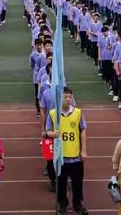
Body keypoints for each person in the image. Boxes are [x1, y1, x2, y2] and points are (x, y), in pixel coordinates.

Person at [46, 86, 88, 215]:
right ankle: (63, 204)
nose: (68, 99)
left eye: (70, 97)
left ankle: (77, 204)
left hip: (75, 155)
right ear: (60, 98)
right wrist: (53, 134)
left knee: (77, 183)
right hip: (60, 157)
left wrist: (84, 150)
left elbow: (83, 131)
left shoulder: (78, 112)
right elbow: (47, 131)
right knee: (62, 183)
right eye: (65, 97)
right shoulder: (53, 114)